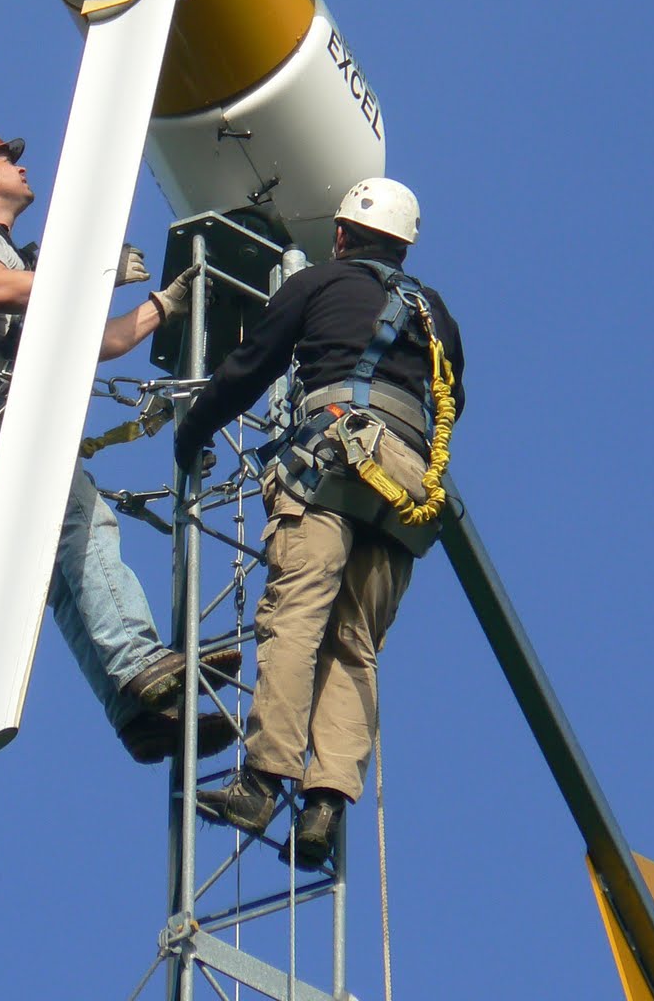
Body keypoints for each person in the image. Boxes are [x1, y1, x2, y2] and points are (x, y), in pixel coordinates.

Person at [0, 123, 238, 764]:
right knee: (86, 525)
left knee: (60, 570)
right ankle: (141, 661)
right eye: (9, 158)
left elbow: (101, 342)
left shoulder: (15, 261)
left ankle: (134, 712)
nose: (21, 167)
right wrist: (93, 271)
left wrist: (163, 307)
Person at [173, 177, 465, 863]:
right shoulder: (436, 314)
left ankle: (264, 779)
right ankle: (325, 805)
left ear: (341, 237)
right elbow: (453, 399)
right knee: (355, 642)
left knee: (297, 616)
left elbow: (254, 363)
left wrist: (196, 429)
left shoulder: (319, 286)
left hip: (333, 457)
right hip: (407, 485)